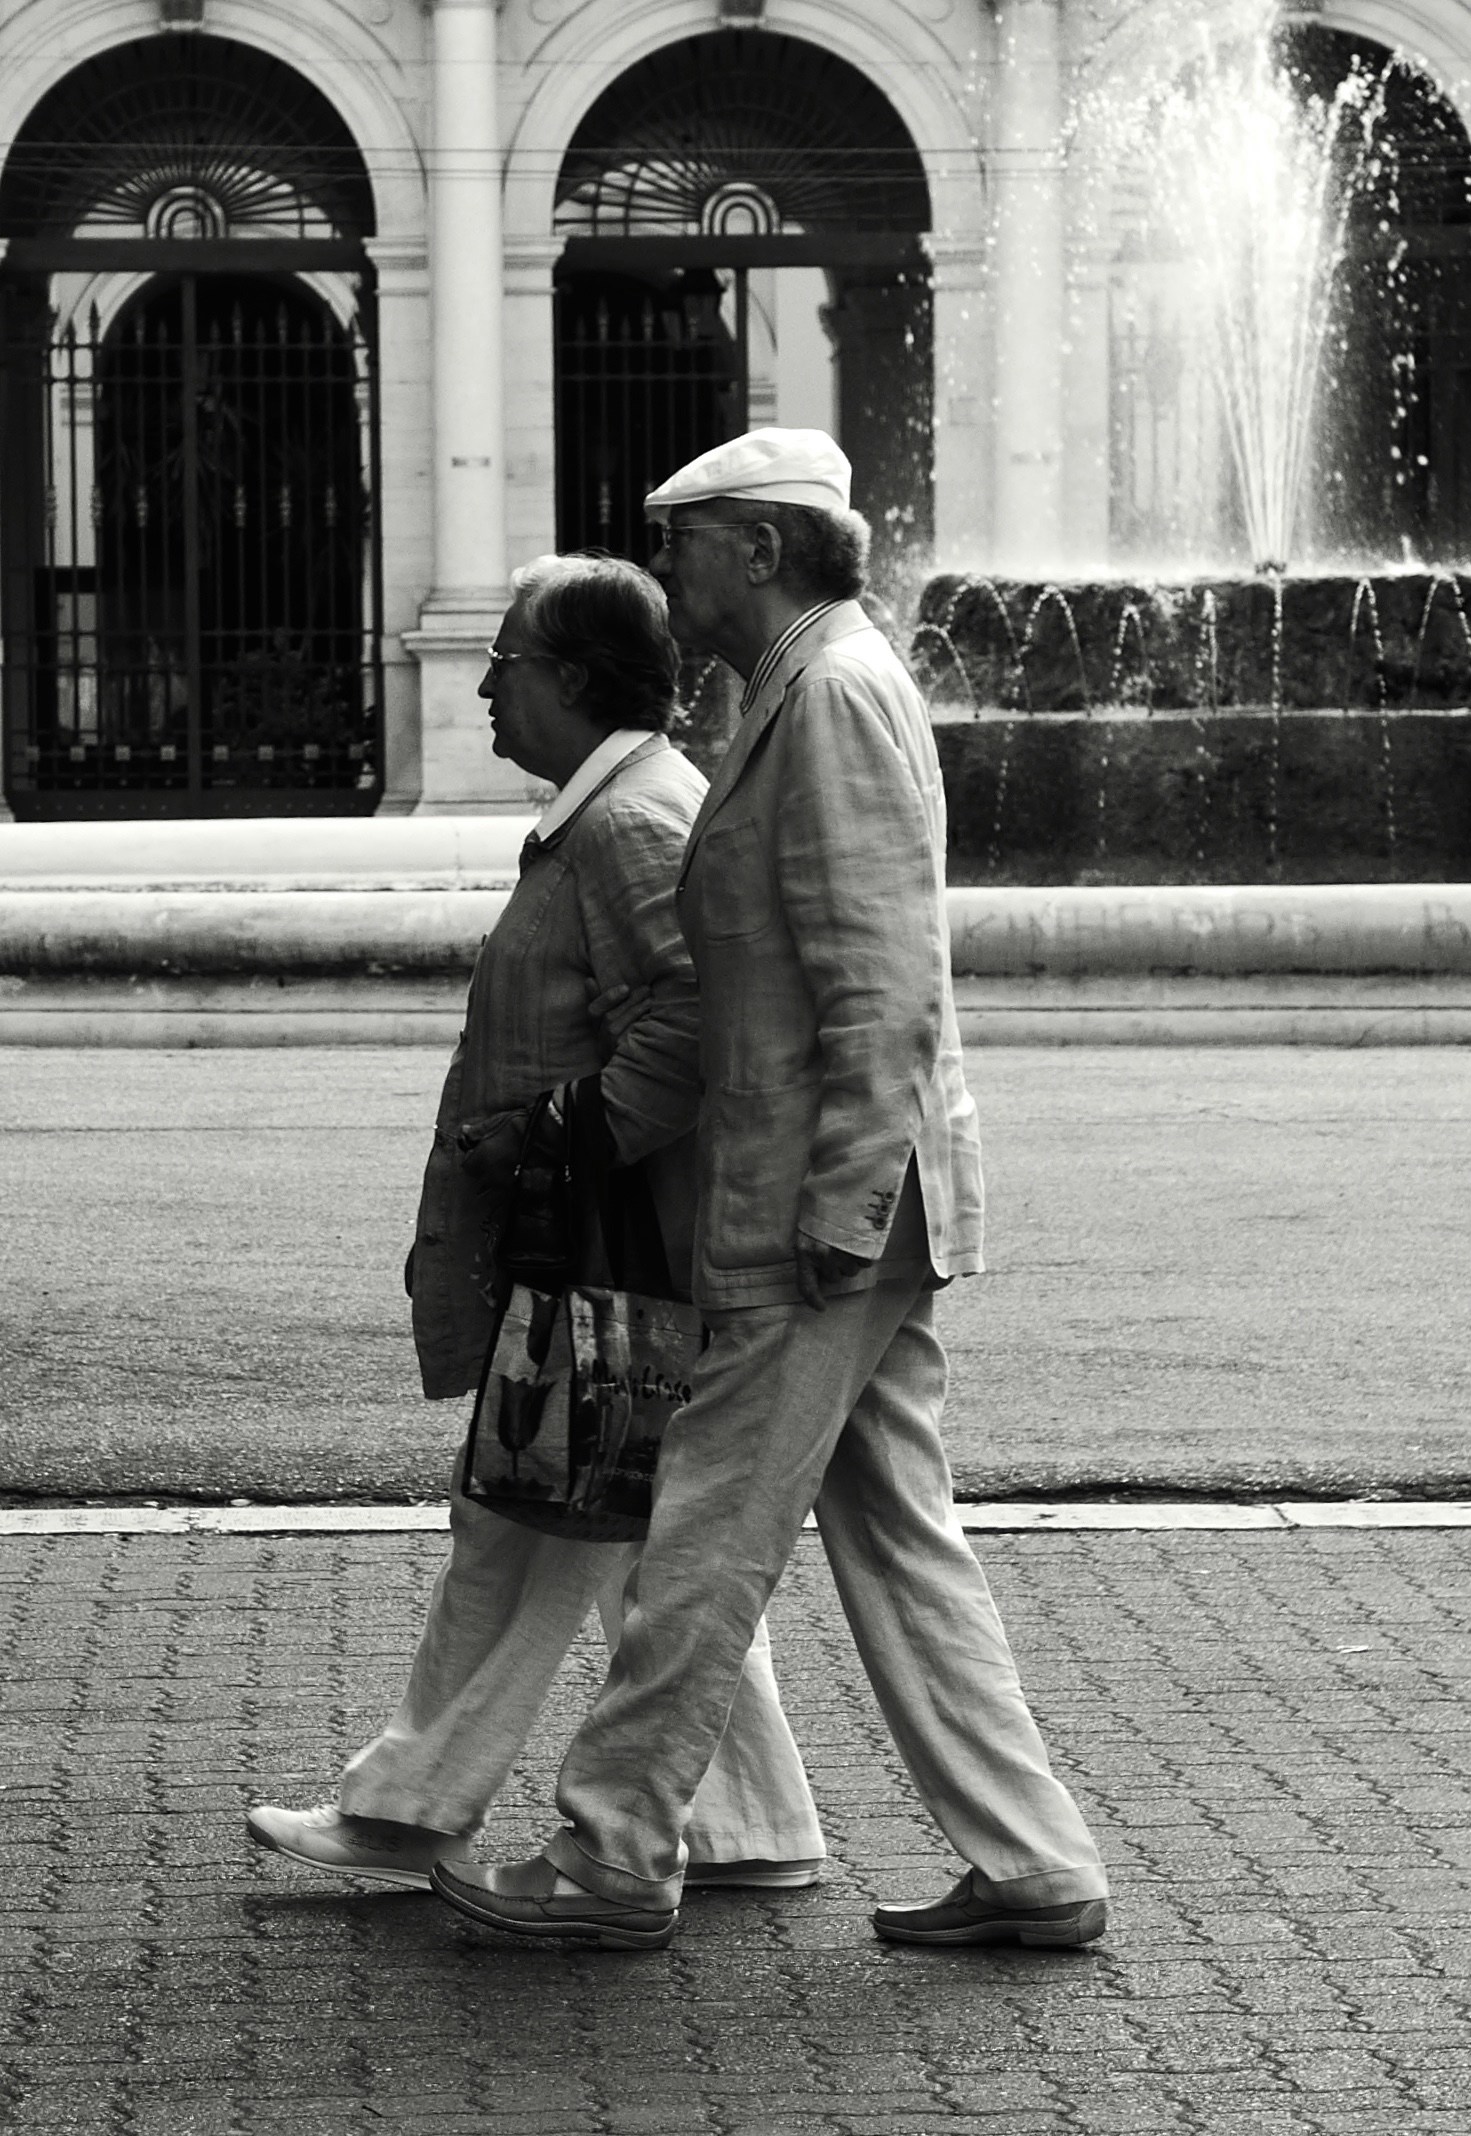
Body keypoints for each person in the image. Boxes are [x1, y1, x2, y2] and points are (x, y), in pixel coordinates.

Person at [430, 431, 1112, 1954]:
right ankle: (1036, 1862)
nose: (665, 579)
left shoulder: (834, 694)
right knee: (894, 1533)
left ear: (759, 549)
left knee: (703, 1530)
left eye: (680, 546)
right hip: (834, 1199)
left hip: (824, 1210)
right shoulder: (800, 688)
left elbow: (882, 982)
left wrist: (839, 1206)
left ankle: (610, 1855)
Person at [245, 551, 827, 1895]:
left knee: (520, 1525)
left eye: (503, 662)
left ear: (569, 680)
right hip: (612, 1247)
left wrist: (562, 1134)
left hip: (599, 1254)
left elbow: (691, 1018)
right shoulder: (618, 804)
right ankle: (751, 1821)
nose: (484, 690)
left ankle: (403, 1813)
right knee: (621, 1537)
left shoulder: (628, 822)